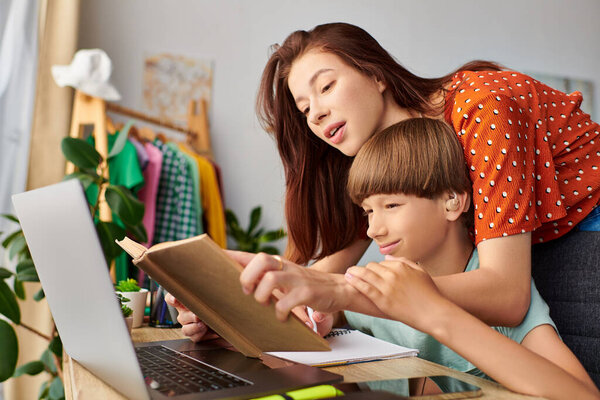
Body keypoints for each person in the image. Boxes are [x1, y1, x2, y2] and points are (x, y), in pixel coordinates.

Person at [169, 22, 600, 382]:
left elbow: (507, 294)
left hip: (586, 228)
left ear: (377, 75)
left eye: (327, 87)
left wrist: (341, 292)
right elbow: (323, 276)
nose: (315, 114)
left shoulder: (481, 105)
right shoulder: (382, 162)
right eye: (303, 109)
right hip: (528, 247)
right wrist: (231, 307)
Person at [339, 117, 598, 398]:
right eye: (368, 211)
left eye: (391, 205)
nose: (373, 230)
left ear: (453, 201)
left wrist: (432, 310)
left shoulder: (499, 294)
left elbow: (582, 395)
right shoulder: (376, 278)